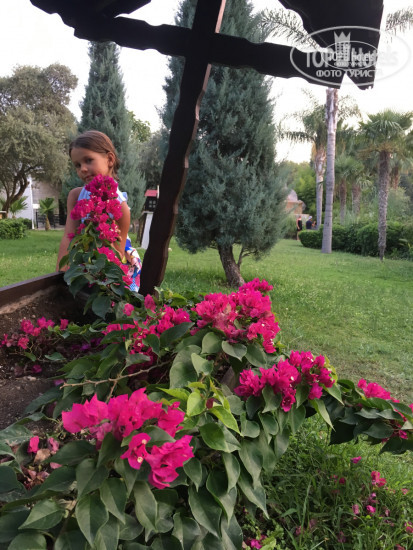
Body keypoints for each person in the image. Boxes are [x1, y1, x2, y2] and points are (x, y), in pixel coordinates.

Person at [56, 130, 142, 290]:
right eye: (77, 165)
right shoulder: (76, 196)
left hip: (115, 268)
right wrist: (59, 276)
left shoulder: (120, 207)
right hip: (86, 259)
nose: (82, 169)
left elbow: (117, 253)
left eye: (88, 160)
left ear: (110, 159)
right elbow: (68, 238)